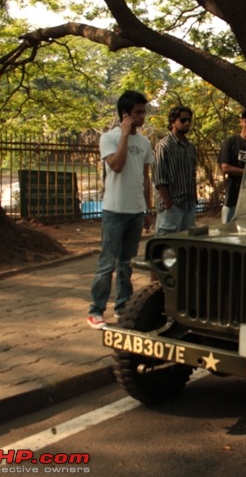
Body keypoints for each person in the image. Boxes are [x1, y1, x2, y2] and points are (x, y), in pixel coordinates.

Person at [87, 91, 154, 329]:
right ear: (125, 115)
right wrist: (125, 135)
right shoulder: (109, 138)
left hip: (136, 211)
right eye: (138, 112)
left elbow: (145, 178)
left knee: (127, 264)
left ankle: (123, 307)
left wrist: (148, 209)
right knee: (108, 264)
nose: (142, 116)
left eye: (143, 112)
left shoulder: (145, 142)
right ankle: (96, 310)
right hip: (114, 210)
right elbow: (116, 166)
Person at [154, 106, 197, 236]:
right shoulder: (164, 146)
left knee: (186, 245)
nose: (187, 123)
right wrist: (168, 203)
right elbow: (159, 179)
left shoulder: (190, 147)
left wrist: (193, 199)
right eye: (183, 120)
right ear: (173, 122)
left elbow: (192, 174)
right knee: (166, 247)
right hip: (172, 205)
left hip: (188, 204)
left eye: (189, 120)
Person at [219, 108, 246, 223]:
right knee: (227, 230)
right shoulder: (230, 143)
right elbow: (225, 168)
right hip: (233, 196)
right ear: (241, 122)